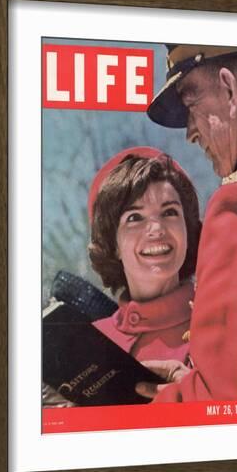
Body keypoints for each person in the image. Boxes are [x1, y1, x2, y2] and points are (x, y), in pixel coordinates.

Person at [138, 44, 237, 401]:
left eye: (191, 105)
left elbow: (222, 404)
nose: (190, 133)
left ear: (229, 90)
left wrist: (130, 407)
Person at [88, 147, 202, 371]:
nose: (157, 229)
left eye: (169, 212)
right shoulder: (88, 343)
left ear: (187, 230)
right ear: (114, 244)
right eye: (135, 217)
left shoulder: (220, 322)